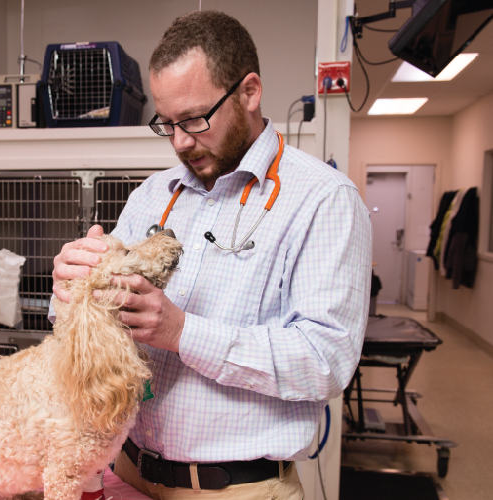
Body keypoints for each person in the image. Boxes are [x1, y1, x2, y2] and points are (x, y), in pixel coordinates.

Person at [50, 10, 372, 500]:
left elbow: (325, 360)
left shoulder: (322, 199)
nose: (180, 141)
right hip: (128, 470)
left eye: (195, 119)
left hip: (237, 488)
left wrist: (183, 332)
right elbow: (91, 321)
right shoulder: (152, 196)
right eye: (167, 124)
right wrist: (70, 287)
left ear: (249, 92)